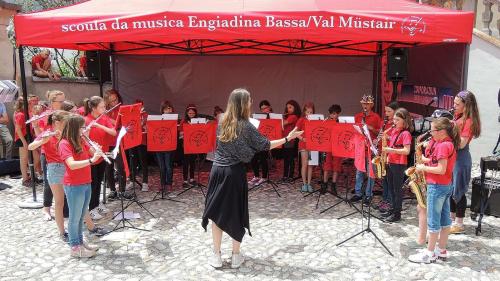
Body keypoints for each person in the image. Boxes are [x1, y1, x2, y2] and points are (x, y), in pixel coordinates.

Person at [202, 88, 303, 269]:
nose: (251, 103)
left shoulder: (222, 121)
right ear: (242, 104)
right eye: (249, 101)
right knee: (236, 213)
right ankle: (235, 256)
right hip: (233, 173)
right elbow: (265, 145)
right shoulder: (246, 125)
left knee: (216, 215)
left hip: (217, 170)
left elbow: (229, 146)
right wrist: (288, 138)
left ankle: (216, 256)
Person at [408, 117, 459, 263]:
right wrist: (424, 159)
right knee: (444, 220)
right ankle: (441, 250)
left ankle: (429, 254)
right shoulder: (446, 143)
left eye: (433, 130)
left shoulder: (443, 146)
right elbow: (437, 161)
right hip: (444, 185)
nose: (430, 132)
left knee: (433, 221)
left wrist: (423, 167)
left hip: (436, 186)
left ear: (442, 131)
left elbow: (441, 169)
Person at [59, 114, 102, 258]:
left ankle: (80, 242)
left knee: (82, 215)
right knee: (74, 217)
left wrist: (97, 150)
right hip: (74, 184)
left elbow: (94, 156)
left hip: (86, 182)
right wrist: (91, 160)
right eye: (83, 127)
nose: (85, 129)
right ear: (75, 128)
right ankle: (75, 247)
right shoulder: (64, 143)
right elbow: (71, 164)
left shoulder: (81, 140)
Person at [28, 110, 70, 241]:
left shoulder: (67, 133)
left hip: (69, 167)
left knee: (73, 200)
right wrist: (42, 141)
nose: (68, 124)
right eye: (66, 122)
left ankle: (76, 228)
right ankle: (62, 232)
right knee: (59, 202)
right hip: (55, 168)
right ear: (57, 123)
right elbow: (31, 146)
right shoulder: (47, 133)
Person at [449, 90, 481, 234]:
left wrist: (446, 137)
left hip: (461, 158)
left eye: (457, 104)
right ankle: (451, 219)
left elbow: (461, 144)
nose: (454, 106)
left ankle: (459, 223)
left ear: (466, 106)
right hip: (453, 157)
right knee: (451, 190)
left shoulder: (468, 121)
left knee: (459, 191)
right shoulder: (458, 117)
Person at [33, 91, 65, 221]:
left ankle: (61, 207)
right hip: (48, 153)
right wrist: (35, 125)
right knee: (48, 182)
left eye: (64, 100)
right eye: (60, 101)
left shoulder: (64, 115)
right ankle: (46, 208)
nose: (63, 103)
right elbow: (40, 135)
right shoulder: (45, 116)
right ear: (52, 102)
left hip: (62, 151)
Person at [84, 96, 117, 220]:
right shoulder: (86, 120)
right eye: (102, 107)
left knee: (99, 182)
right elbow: (85, 140)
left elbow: (113, 132)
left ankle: (97, 205)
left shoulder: (104, 118)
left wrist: (99, 126)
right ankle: (91, 208)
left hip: (102, 154)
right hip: (92, 156)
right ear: (93, 108)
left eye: (104, 106)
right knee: (93, 183)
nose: (104, 108)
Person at [381, 108, 413, 223]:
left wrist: (390, 149)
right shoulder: (394, 131)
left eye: (397, 120)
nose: (394, 122)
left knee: (397, 190)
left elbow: (406, 150)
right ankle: (393, 209)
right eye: (394, 119)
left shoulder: (406, 133)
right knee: (391, 188)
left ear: (404, 121)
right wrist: (386, 138)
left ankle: (397, 213)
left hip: (399, 164)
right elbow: (394, 144)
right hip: (391, 162)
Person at [350, 94, 381, 205]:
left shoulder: (376, 117)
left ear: (372, 105)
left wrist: (371, 128)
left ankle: (368, 194)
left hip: (370, 148)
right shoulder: (358, 116)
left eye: (367, 104)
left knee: (370, 172)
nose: (365, 105)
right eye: (363, 103)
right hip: (360, 148)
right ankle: (358, 193)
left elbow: (380, 133)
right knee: (359, 171)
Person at [375, 101, 399, 212]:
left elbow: (398, 140)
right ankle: (384, 199)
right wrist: (377, 141)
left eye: (389, 111)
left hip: (392, 155)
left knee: (390, 180)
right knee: (384, 179)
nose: (386, 113)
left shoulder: (398, 124)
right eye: (385, 111)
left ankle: (390, 201)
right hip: (384, 153)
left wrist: (387, 137)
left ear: (396, 112)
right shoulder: (384, 122)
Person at [126, 99, 149, 192]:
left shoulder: (145, 115)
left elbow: (147, 127)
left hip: (142, 141)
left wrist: (144, 125)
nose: (139, 108)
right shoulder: (131, 115)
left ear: (143, 106)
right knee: (132, 161)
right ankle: (132, 181)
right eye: (136, 106)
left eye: (140, 106)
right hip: (132, 141)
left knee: (143, 162)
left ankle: (145, 182)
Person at [249, 100, 272, 186]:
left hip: (267, 140)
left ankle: (264, 177)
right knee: (253, 157)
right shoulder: (258, 117)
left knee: (263, 158)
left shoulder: (273, 117)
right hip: (258, 139)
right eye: (262, 109)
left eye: (265, 108)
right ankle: (256, 176)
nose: (264, 110)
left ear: (269, 107)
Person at [322, 104, 343, 195]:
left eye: (336, 114)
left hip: (337, 148)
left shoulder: (341, 123)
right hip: (328, 147)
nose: (334, 116)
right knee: (327, 166)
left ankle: (333, 184)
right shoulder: (326, 122)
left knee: (336, 166)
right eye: (332, 114)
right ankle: (325, 183)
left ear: (338, 114)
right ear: (329, 114)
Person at [156, 101, 176, 193]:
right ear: (162, 110)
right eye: (166, 108)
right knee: (161, 166)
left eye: (170, 108)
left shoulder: (174, 119)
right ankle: (162, 183)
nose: (168, 110)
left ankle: (169, 184)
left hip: (169, 146)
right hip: (159, 146)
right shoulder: (157, 119)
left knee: (168, 166)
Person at [296, 102, 315, 193]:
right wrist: (302, 138)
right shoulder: (301, 120)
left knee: (311, 165)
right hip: (304, 144)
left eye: (311, 112)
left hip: (313, 145)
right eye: (308, 112)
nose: (309, 114)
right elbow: (295, 132)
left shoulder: (315, 120)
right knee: (305, 164)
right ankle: (304, 183)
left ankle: (309, 183)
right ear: (304, 112)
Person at [179, 104, 199, 186]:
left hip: (194, 145)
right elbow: (180, 134)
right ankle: (185, 180)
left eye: (193, 114)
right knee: (185, 162)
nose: (191, 115)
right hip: (185, 145)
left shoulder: (198, 121)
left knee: (192, 162)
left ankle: (192, 178)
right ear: (187, 113)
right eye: (190, 113)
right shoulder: (183, 121)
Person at [282, 100, 301, 182]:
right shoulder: (288, 116)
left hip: (290, 140)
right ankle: (285, 175)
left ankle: (290, 176)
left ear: (295, 108)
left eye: (290, 107)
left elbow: (284, 123)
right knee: (286, 159)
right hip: (286, 140)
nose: (288, 109)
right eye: (287, 108)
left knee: (290, 159)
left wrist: (278, 118)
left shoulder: (293, 117)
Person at [13, 97, 30, 186]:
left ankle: (29, 175)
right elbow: (18, 130)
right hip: (22, 137)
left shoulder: (24, 113)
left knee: (29, 158)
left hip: (26, 136)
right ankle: (25, 179)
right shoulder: (20, 114)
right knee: (24, 159)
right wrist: (24, 142)